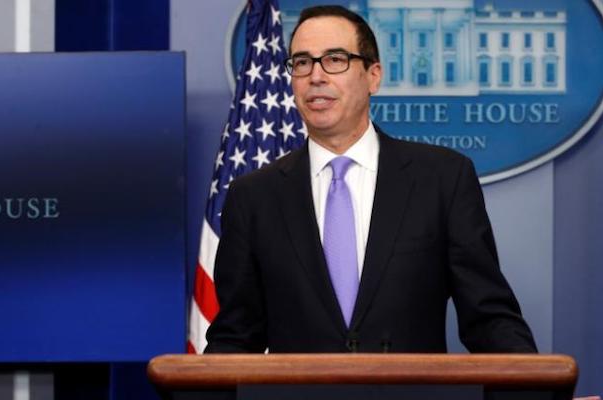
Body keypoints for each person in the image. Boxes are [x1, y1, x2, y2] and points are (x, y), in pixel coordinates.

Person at [205, 5, 536, 353]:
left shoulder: (442, 179)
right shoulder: (254, 197)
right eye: (302, 62)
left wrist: (539, 391)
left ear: (373, 76)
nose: (315, 76)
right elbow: (235, 338)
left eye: (335, 59)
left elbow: (489, 319)